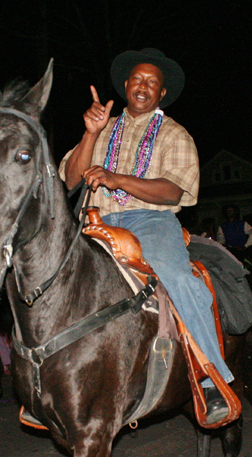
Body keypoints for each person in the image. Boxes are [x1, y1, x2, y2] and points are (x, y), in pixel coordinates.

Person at [59, 48, 232, 425]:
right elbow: (71, 179)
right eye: (137, 79)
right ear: (125, 86)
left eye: (152, 82)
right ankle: (47, 379)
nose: (143, 86)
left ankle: (210, 377)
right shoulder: (102, 127)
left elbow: (174, 191)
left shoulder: (174, 134)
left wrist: (117, 179)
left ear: (162, 94)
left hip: (149, 221)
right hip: (95, 221)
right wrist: (90, 135)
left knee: (180, 279)